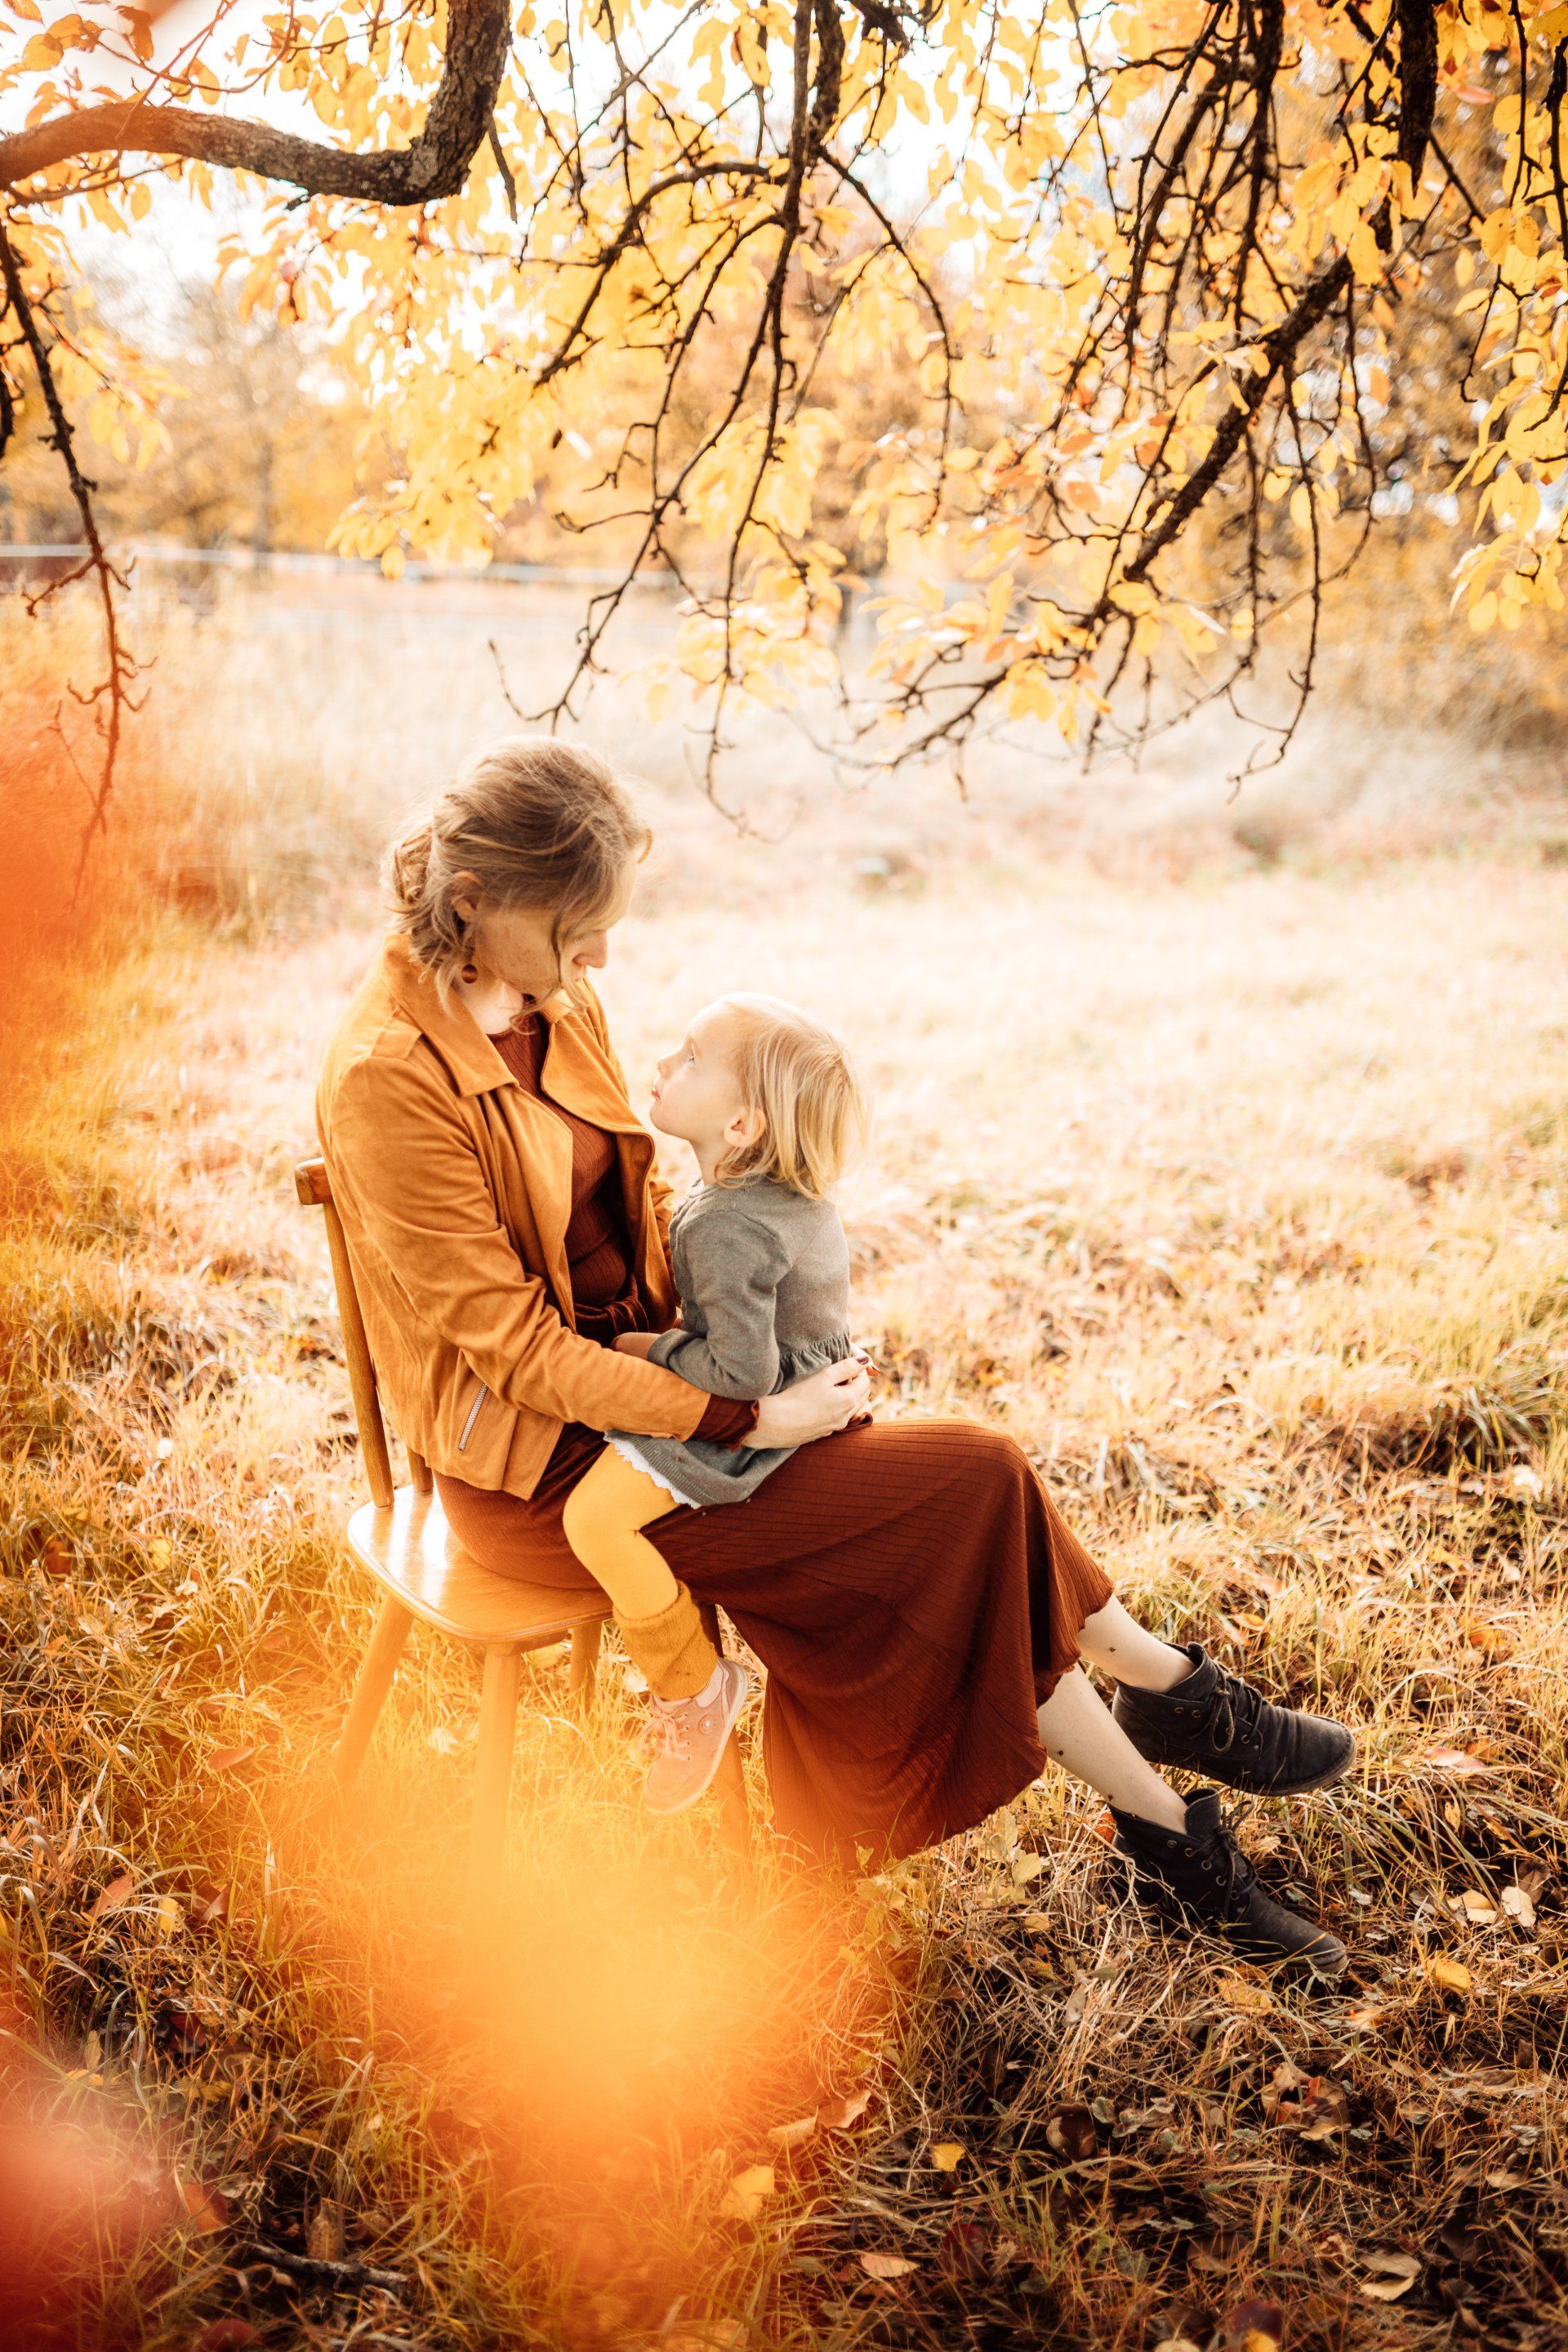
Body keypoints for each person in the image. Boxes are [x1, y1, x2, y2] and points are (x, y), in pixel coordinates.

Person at [314, 735, 1358, 1976]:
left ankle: (1167, 1777)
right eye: (576, 931)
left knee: (970, 1494)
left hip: (678, 1387)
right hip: (544, 1471)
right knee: (969, 1487)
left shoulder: (552, 996)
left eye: (603, 930)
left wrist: (757, 1343)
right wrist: (745, 1415)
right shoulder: (388, 1076)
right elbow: (515, 1351)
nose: (599, 962)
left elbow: (643, 1208)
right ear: (474, 900)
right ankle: (1173, 1744)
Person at [562, 994, 867, 1814]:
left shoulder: (726, 1224)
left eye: (692, 1059)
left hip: (768, 1411)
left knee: (594, 1521)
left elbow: (739, 1371)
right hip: (807, 1384)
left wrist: (648, 1350)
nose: (665, 1063)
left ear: (740, 1126)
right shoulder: (776, 1195)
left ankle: (693, 1689)